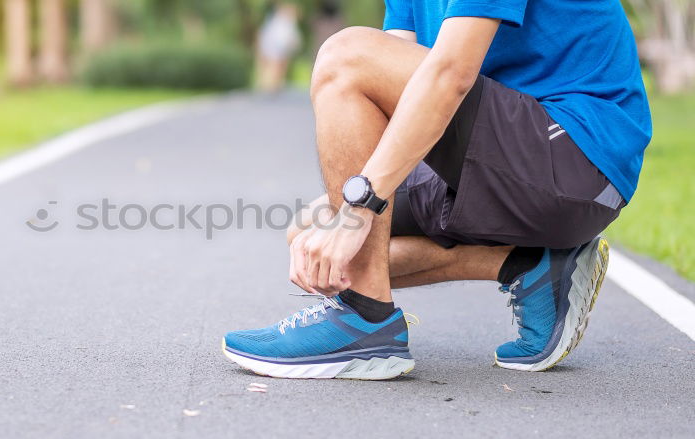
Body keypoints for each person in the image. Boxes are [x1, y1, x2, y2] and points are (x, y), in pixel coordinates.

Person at [223, 0, 651, 379]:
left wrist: (361, 206)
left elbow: (448, 74)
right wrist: (349, 211)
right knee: (309, 231)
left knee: (344, 56)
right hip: (505, 152)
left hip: (577, 156)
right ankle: (525, 265)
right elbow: (388, 88)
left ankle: (364, 317)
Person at [255, 2, 301, 92]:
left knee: (278, 66)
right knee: (276, 65)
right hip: (275, 46)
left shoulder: (282, 21)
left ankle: (273, 84)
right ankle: (271, 85)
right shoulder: (281, 21)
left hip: (277, 46)